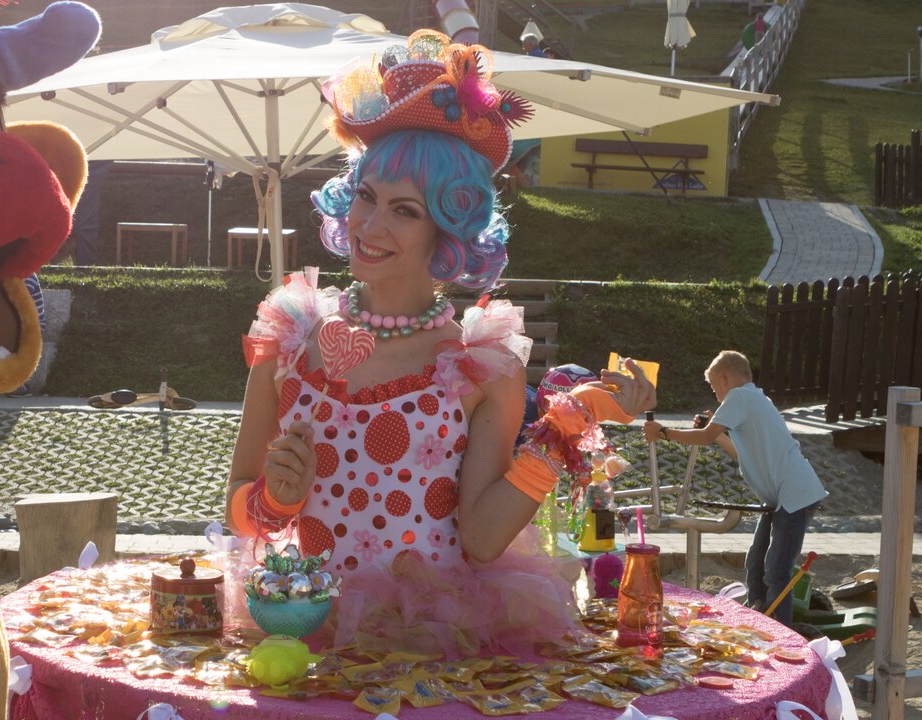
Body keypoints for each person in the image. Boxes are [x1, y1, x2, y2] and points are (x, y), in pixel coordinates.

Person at [224, 30, 652, 658]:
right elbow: (238, 508)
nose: (370, 226)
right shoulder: (292, 337)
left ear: (446, 230)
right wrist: (272, 500)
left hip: (427, 641)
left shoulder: (480, 364)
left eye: (405, 210)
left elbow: (480, 539)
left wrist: (570, 422)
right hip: (302, 626)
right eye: (367, 197)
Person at [643, 350, 828, 621]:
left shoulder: (738, 396)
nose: (716, 395)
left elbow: (704, 437)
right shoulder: (754, 398)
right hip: (781, 496)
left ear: (724, 377)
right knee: (755, 561)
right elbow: (739, 453)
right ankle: (759, 616)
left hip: (795, 494)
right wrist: (715, 433)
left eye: (714, 387)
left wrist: (663, 433)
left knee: (776, 569)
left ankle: (782, 632)